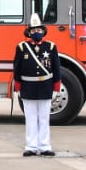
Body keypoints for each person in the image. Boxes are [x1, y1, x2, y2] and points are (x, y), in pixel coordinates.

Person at [13, 14, 60, 157]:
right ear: (29, 32)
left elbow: (56, 68)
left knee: (44, 118)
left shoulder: (51, 47)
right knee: (31, 118)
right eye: (33, 31)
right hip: (28, 86)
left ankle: (45, 145)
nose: (36, 33)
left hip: (45, 86)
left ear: (43, 31)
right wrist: (18, 87)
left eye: (38, 30)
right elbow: (17, 68)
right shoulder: (21, 47)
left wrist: (56, 87)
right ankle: (31, 146)